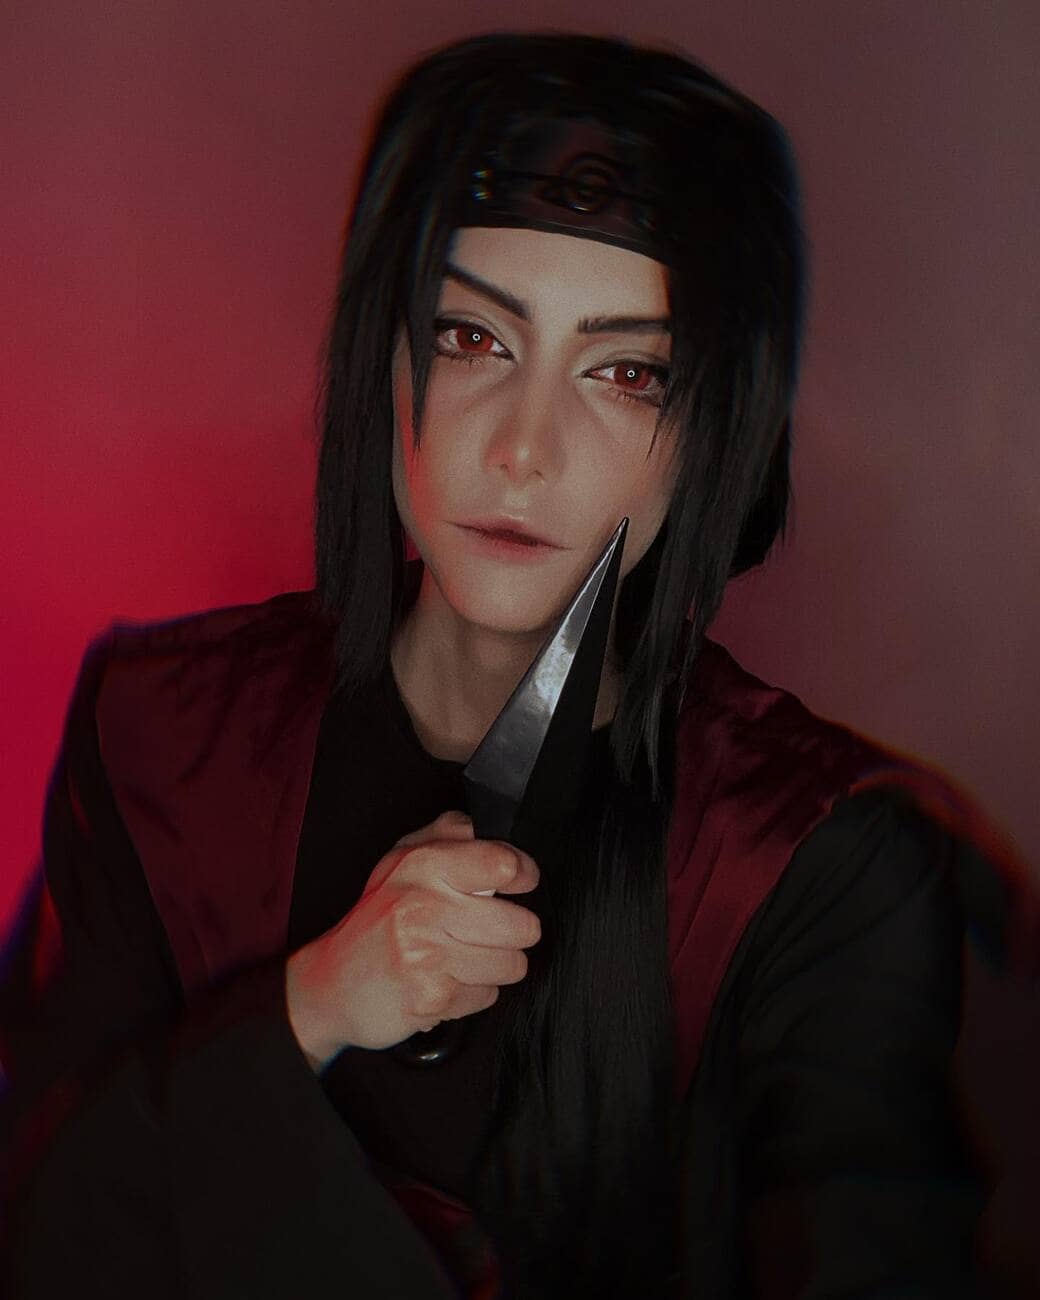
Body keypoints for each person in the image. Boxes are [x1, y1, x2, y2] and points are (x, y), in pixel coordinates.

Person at [1, 30, 1034, 1300]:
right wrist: (308, 1009)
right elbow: (36, 1229)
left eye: (624, 372)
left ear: (708, 434)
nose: (524, 448)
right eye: (471, 339)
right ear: (384, 360)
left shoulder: (816, 861)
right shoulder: (158, 736)